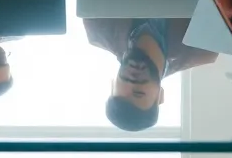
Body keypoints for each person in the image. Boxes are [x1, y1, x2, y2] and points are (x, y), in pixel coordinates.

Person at [84, 18, 216, 131]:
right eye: (138, 93)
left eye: (123, 90)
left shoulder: (98, 30)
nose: (131, 81)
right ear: (160, 96)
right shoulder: (202, 49)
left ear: (113, 86)